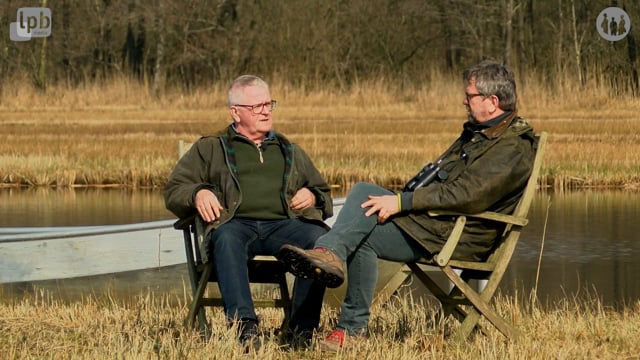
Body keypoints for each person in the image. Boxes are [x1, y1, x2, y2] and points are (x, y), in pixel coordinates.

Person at [276, 60, 538, 352]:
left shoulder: (512, 147)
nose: (464, 100)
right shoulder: (479, 134)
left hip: (458, 235)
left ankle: (328, 259)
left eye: (470, 95)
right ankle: (348, 329)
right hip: (435, 225)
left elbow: (467, 195)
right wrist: (404, 202)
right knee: (361, 225)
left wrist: (403, 202)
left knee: (363, 195)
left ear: (492, 101)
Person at [164, 75, 333, 350]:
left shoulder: (289, 150)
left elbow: (324, 195)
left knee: (321, 242)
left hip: (284, 226)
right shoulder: (211, 147)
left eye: (269, 104)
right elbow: (174, 190)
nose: (266, 111)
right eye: (257, 106)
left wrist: (312, 194)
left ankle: (301, 331)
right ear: (236, 112)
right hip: (236, 224)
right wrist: (198, 193)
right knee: (226, 238)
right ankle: (245, 328)